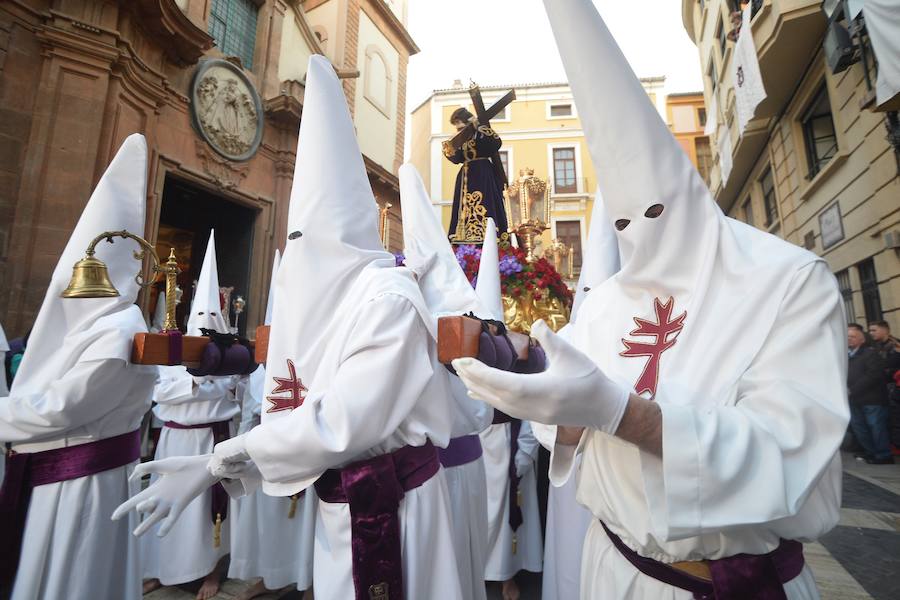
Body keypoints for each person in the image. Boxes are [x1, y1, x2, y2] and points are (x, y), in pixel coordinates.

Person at [452, 1, 850, 598]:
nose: (642, 233)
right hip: (609, 567)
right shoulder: (608, 300)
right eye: (623, 222)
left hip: (723, 582)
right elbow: (564, 436)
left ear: (688, 191)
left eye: (657, 212)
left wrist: (621, 414)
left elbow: (790, 455)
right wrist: (555, 415)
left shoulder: (787, 280)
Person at [120, 56, 466, 600]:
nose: (303, 256)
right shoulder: (330, 302)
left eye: (314, 239)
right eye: (295, 239)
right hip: (340, 509)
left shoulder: (390, 301)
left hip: (396, 514)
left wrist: (219, 462)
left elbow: (341, 422)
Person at [0, 134, 158, 600]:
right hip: (59, 479)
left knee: (72, 577)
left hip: (83, 487)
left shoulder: (119, 331)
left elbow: (64, 408)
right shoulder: (96, 326)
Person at [399, 164, 495, 600]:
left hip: (455, 465)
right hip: (420, 474)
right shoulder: (400, 319)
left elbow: (479, 404)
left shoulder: (465, 319)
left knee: (458, 564)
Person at [140, 230, 242, 600]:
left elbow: (232, 389)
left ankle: (210, 572)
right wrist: (197, 386)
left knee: (207, 509)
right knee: (163, 503)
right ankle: (159, 569)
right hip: (173, 439)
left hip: (210, 440)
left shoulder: (232, 354)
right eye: (200, 314)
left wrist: (202, 384)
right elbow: (158, 387)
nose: (205, 321)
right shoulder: (173, 348)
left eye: (211, 315)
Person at [227, 251, 315, 600]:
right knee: (269, 520)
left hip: (306, 451)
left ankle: (309, 579)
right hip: (266, 450)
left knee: (307, 520)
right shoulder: (263, 366)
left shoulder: (311, 354)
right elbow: (250, 407)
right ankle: (271, 575)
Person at [473, 220, 543, 600]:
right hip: (478, 447)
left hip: (510, 443)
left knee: (509, 519)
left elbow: (528, 405)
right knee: (479, 516)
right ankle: (478, 569)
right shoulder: (467, 359)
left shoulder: (519, 357)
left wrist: (523, 454)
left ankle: (507, 575)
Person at [444, 107, 509, 244]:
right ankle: (463, 236)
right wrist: (449, 150)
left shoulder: (480, 134)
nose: (459, 131)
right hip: (466, 176)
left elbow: (495, 143)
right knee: (463, 208)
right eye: (457, 128)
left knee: (486, 203)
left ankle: (489, 234)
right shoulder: (460, 140)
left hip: (483, 174)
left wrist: (478, 126)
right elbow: (456, 159)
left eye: (461, 127)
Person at [848, 323, 893, 464]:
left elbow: (873, 375)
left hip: (872, 399)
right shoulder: (846, 355)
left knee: (876, 428)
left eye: (853, 337)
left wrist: (852, 390)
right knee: (860, 428)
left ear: (862, 340)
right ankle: (871, 453)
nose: (849, 339)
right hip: (855, 400)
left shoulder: (870, 353)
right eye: (847, 336)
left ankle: (884, 456)